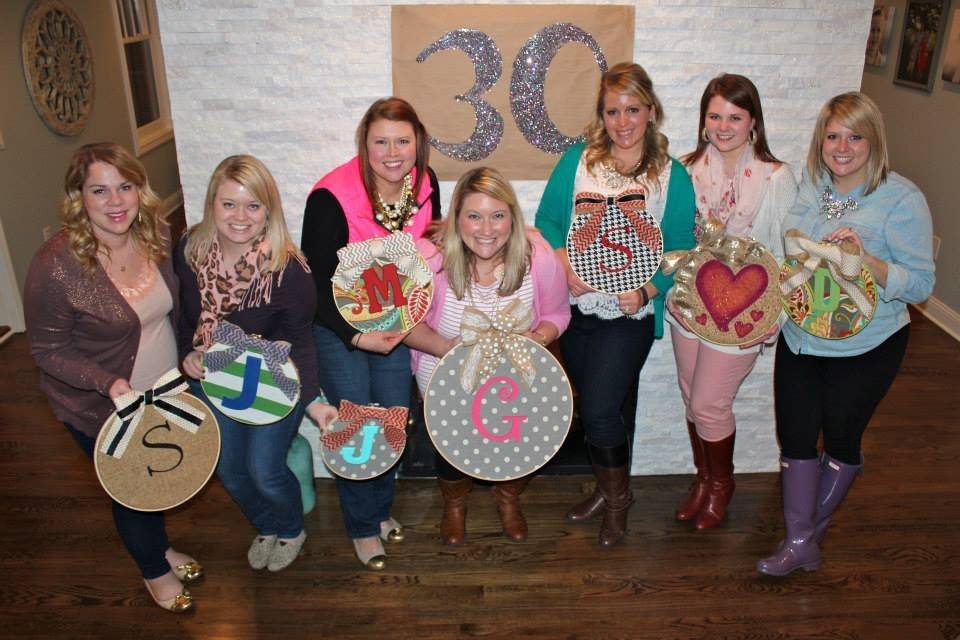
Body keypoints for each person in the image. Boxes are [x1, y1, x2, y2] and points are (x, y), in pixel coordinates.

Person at [756, 92, 935, 576]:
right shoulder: (811, 185)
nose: (842, 146)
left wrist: (868, 262)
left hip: (866, 345)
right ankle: (800, 541)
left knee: (840, 438)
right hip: (801, 336)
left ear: (873, 140)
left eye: (855, 136)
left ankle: (803, 538)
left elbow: (920, 284)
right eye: (833, 135)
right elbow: (794, 258)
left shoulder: (901, 199)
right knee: (793, 438)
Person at [25, 142, 200, 612]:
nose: (116, 201)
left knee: (161, 473)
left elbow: (176, 309)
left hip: (165, 390)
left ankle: (158, 545)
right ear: (77, 197)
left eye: (125, 187)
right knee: (134, 490)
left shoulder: (157, 234)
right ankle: (153, 570)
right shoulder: (55, 266)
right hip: (101, 404)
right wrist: (108, 384)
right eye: (99, 190)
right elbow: (47, 350)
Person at [535, 62, 696, 547]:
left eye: (632, 109)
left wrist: (649, 291)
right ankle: (608, 491)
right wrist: (563, 262)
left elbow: (682, 250)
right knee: (597, 409)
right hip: (575, 310)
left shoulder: (672, 176)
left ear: (651, 111)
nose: (622, 121)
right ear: (600, 115)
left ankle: (619, 502)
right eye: (612, 111)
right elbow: (546, 220)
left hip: (628, 315)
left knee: (602, 408)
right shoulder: (578, 160)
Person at [176, 155, 336, 574]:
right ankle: (265, 526)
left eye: (253, 205)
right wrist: (186, 356)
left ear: (269, 209)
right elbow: (183, 319)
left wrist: (309, 400)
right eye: (229, 204)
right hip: (211, 378)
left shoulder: (288, 270)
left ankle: (290, 529)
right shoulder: (190, 251)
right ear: (212, 204)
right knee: (229, 469)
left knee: (264, 470)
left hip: (273, 380)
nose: (240, 217)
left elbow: (302, 343)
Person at [301, 97, 441, 569]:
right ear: (364, 143)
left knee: (394, 415)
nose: (393, 151)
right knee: (358, 418)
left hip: (390, 321)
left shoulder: (425, 183)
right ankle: (361, 526)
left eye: (403, 140)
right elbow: (315, 286)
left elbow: (422, 251)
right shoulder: (330, 196)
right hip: (337, 327)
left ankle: (379, 511)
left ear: (418, 142)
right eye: (381, 141)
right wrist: (357, 338)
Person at [404, 167, 571, 545]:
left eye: (498, 215)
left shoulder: (537, 257)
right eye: (474, 216)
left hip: (516, 382)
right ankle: (455, 504)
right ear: (456, 217)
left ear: (512, 217)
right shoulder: (429, 260)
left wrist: (536, 338)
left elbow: (558, 314)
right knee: (450, 449)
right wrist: (448, 349)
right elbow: (404, 325)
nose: (486, 229)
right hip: (446, 377)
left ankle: (508, 496)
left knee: (526, 443)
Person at [667, 74, 797, 530]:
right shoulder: (684, 170)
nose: (724, 126)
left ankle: (723, 484)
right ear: (704, 120)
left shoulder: (775, 177)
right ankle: (704, 479)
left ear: (753, 122)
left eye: (735, 117)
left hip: (746, 308)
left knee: (709, 403)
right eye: (715, 115)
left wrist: (775, 315)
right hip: (690, 302)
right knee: (690, 397)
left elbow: (788, 251)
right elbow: (675, 236)